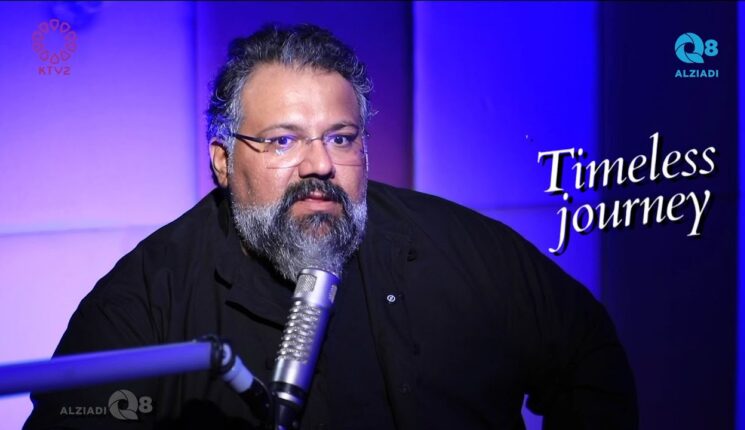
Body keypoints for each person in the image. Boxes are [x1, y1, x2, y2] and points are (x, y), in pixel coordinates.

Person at [25, 24, 637, 429]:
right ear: (222, 161)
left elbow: (588, 353)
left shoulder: (463, 250)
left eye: (340, 138)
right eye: (283, 140)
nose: (319, 164)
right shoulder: (146, 299)